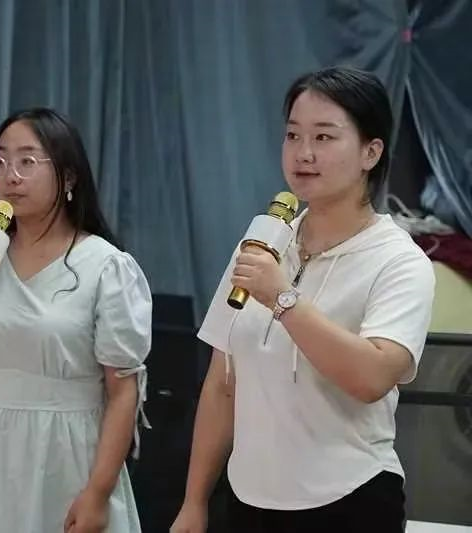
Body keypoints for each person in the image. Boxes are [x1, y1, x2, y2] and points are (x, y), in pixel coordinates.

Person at [171, 66, 435, 533]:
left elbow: (373, 377)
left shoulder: (398, 260)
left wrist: (282, 297)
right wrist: (194, 501)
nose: (303, 153)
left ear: (371, 152)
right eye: (293, 135)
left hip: (349, 499)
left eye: (324, 137)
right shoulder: (262, 243)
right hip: (249, 501)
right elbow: (222, 384)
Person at [0, 107, 151, 532]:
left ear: (69, 177)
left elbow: (122, 393)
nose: (10, 175)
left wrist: (98, 493)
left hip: (70, 451)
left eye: (27, 161)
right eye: (0, 162)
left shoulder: (105, 265)